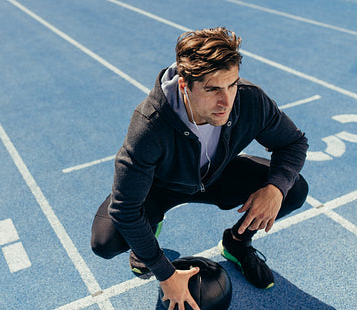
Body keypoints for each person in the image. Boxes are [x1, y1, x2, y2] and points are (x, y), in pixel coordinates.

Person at [90, 27, 308, 310]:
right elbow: (124, 208)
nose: (226, 101)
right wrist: (165, 273)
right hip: (159, 187)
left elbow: (293, 142)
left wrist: (275, 188)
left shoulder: (248, 99)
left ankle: (237, 244)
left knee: (293, 189)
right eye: (212, 89)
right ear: (184, 85)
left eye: (231, 84)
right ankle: (150, 230)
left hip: (215, 176)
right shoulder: (150, 125)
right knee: (106, 241)